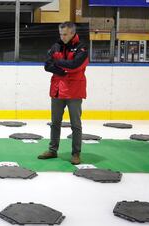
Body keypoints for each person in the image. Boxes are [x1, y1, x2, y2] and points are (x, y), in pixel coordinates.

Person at [38, 21, 89, 165]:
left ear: (73, 33)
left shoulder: (82, 47)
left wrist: (57, 62)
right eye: (61, 34)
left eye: (65, 34)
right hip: (57, 90)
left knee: (76, 125)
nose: (62, 37)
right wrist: (63, 69)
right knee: (55, 123)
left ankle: (76, 153)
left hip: (74, 91)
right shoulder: (56, 45)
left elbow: (75, 65)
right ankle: (52, 150)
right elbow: (47, 65)